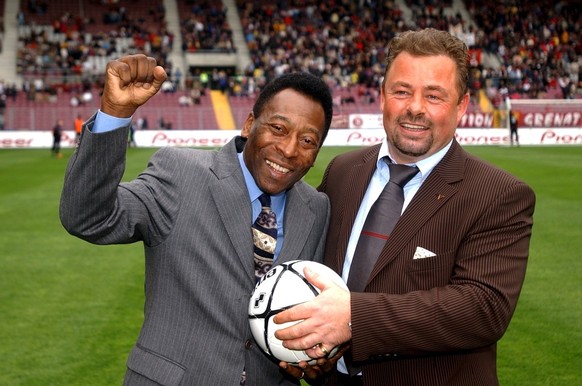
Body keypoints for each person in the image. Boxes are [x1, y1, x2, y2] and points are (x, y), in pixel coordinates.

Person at [273, 28, 536, 386]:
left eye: (434, 96)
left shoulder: (499, 194)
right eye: (401, 91)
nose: (415, 107)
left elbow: (482, 309)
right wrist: (312, 347)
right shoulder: (343, 171)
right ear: (382, 96)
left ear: (461, 105)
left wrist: (352, 318)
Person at [59, 54, 334, 385]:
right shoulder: (180, 173)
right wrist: (116, 113)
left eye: (307, 141)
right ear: (250, 124)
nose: (289, 150)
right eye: (278, 128)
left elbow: (312, 310)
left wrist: (315, 358)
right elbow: (87, 216)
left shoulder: (316, 208)